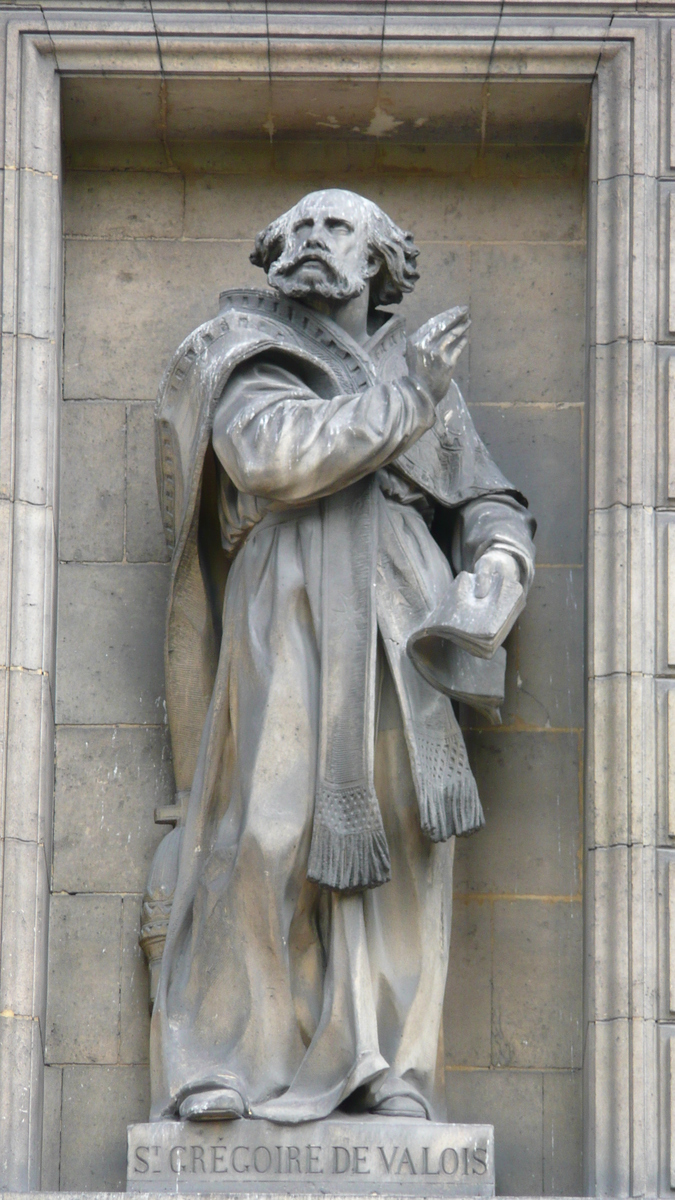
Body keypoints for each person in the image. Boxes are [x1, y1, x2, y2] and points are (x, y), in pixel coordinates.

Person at [144, 188, 536, 1125]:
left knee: (401, 838)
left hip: (402, 625)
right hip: (292, 606)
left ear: (378, 263)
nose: (315, 243)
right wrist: (407, 401)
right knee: (266, 829)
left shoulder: (415, 377)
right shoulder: (246, 351)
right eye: (300, 229)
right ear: (276, 252)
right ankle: (232, 1058)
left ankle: (386, 1065)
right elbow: (275, 458)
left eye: (338, 230)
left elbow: (483, 496)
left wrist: (498, 562)